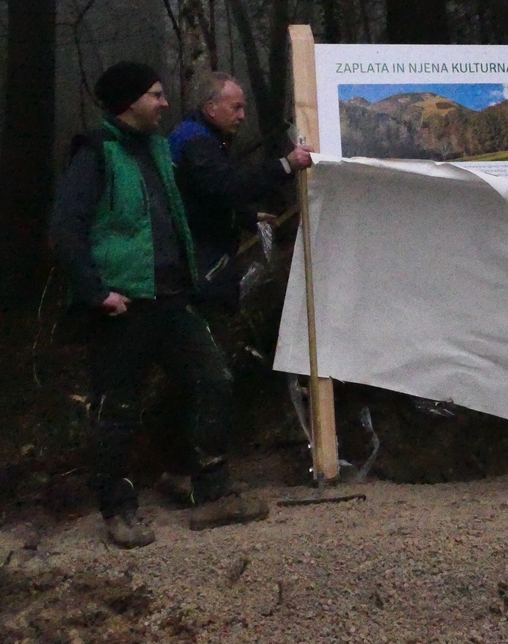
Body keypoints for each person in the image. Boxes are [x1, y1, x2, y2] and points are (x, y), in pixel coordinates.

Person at [50, 61, 268, 549]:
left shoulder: (156, 149)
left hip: (172, 296)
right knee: (117, 406)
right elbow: (66, 227)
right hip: (123, 303)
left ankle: (211, 490)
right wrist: (95, 292)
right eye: (155, 95)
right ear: (129, 102)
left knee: (213, 379)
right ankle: (118, 509)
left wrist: (243, 218)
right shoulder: (96, 154)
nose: (165, 104)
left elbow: (184, 210)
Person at [168, 71, 313, 315]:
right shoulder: (197, 143)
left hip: (197, 256)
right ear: (211, 108)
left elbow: (204, 197)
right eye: (236, 108)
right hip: (200, 262)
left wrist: (246, 217)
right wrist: (286, 165)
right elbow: (228, 186)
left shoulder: (197, 136)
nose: (243, 116)